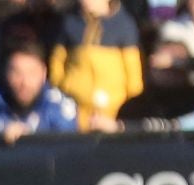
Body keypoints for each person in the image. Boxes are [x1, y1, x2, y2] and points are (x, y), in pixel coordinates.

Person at [49, 0, 145, 131]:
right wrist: (62, 85)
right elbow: (57, 61)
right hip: (73, 111)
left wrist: (127, 104)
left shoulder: (125, 25)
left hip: (114, 111)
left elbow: (133, 74)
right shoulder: (68, 22)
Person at [0, 41, 80, 139]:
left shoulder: (58, 106)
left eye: (32, 73)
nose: (24, 82)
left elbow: (67, 150)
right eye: (17, 73)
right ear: (6, 74)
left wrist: (31, 139)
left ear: (43, 74)